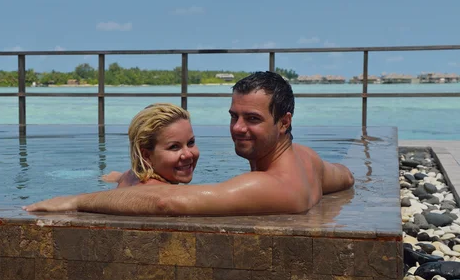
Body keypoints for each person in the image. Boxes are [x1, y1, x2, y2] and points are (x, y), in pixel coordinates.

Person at [23, 71, 355, 215]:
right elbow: (346, 177)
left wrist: (76, 202)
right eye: (233, 116)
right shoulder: (308, 160)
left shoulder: (270, 184)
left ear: (284, 122)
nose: (237, 128)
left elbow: (169, 203)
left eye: (252, 119)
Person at [103, 103, 199, 188]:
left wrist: (116, 177)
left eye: (191, 143)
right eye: (174, 147)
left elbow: (118, 176)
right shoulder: (165, 195)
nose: (188, 154)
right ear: (146, 156)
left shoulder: (130, 176)